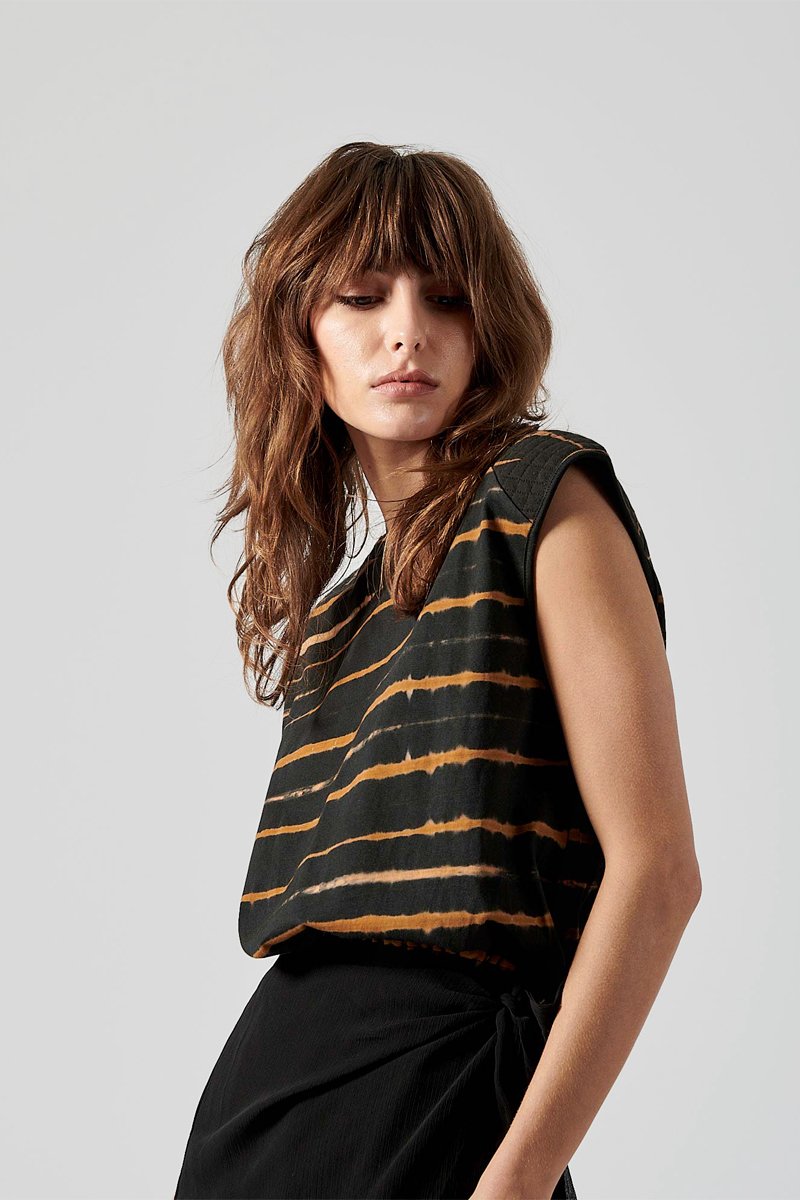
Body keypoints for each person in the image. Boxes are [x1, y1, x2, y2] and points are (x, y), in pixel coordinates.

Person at [174, 141, 701, 1200]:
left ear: (487, 325)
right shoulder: (344, 614)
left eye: (447, 297)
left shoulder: (541, 498)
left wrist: (519, 1178)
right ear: (301, 334)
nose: (407, 329)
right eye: (362, 296)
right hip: (268, 1116)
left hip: (446, 1098)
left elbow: (657, 875)